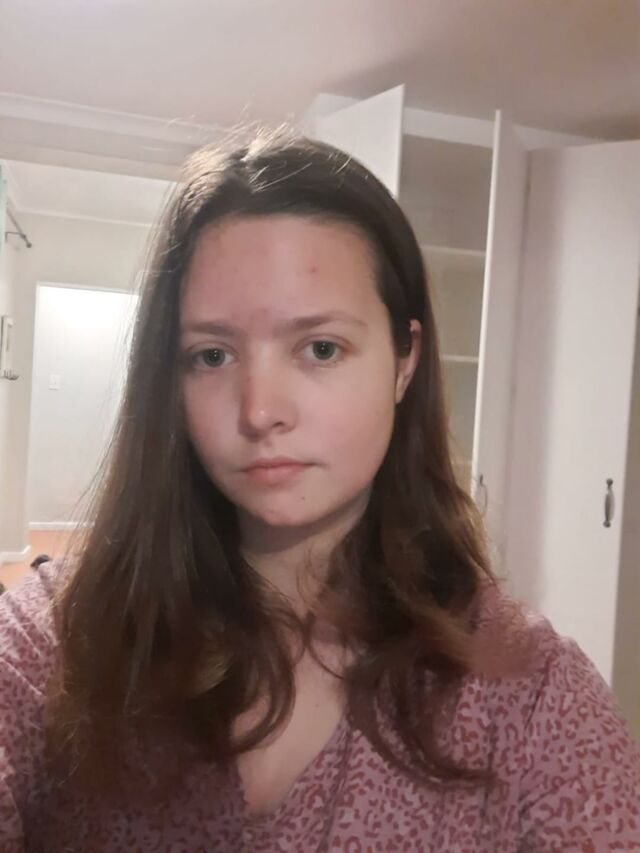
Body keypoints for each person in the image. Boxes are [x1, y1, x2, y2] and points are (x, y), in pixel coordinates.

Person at [0, 128, 638, 852]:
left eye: (321, 348)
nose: (259, 410)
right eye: (212, 355)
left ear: (404, 360)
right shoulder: (57, 642)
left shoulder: (532, 696)